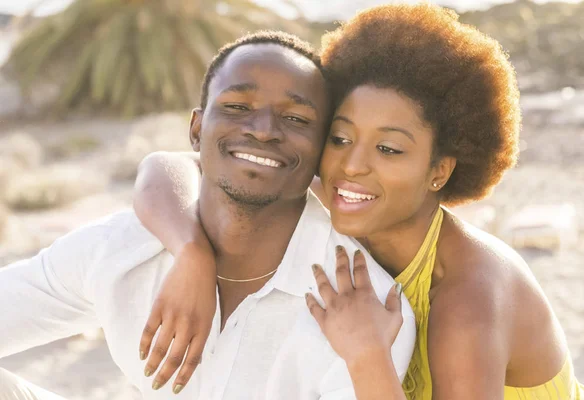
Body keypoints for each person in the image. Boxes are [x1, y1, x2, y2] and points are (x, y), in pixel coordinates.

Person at [132, 4, 584, 400]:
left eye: (389, 149)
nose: (352, 166)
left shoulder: (467, 301)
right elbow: (167, 167)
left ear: (440, 170)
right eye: (339, 138)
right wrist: (190, 253)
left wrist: (368, 353)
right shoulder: (342, 195)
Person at [0, 31, 416, 400]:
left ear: (322, 149)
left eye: (295, 118)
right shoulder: (120, 249)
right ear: (197, 130)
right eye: (237, 106)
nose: (264, 129)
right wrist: (191, 252)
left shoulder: (366, 311)